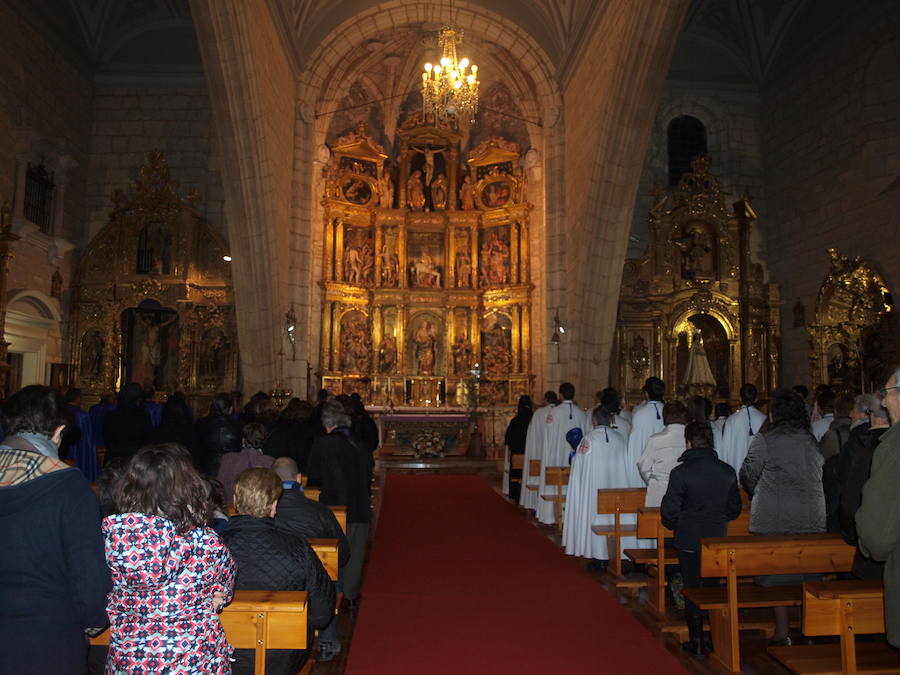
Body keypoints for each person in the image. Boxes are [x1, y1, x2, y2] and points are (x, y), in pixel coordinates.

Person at [0, 385, 111, 675]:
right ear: (58, 431)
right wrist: (92, 621)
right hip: (46, 639)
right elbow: (89, 578)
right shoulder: (68, 485)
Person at [103, 443, 236, 673]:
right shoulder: (204, 542)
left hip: (128, 659)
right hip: (191, 660)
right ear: (186, 487)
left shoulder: (111, 539)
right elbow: (225, 581)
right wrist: (218, 597)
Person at [222, 468, 335, 672]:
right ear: (274, 506)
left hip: (222, 654)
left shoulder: (212, 547)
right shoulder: (297, 548)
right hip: (284, 658)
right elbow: (322, 614)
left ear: (235, 501)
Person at [741, 388, 825, 646]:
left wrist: (762, 493)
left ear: (775, 413)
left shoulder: (765, 440)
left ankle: (783, 630)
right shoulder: (809, 440)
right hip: (809, 515)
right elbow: (820, 471)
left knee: (777, 573)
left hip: (774, 516)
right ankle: (812, 629)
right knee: (807, 573)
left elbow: (747, 474)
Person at [661, 420, 742, 660]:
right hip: (717, 539)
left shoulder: (681, 473)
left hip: (689, 540)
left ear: (688, 442)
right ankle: (715, 639)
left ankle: (697, 641)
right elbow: (734, 508)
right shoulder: (727, 471)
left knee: (692, 588)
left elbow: (669, 511)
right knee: (713, 589)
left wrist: (681, 525)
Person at [271, 457, 348, 662]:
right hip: (311, 582)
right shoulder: (320, 510)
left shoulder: (265, 511)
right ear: (299, 479)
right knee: (333, 576)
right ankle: (326, 640)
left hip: (276, 579)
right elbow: (344, 554)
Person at [306, 401, 372, 609]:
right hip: (359, 506)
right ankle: (351, 596)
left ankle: (334, 592)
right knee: (355, 551)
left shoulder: (323, 443)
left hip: (333, 507)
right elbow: (369, 472)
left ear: (326, 423)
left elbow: (314, 475)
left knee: (333, 551)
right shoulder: (359, 443)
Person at [856, 368, 900, 647]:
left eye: (888, 393)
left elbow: (878, 535)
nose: (883, 402)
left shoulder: (894, 448)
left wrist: (869, 545)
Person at [563, 405, 633, 568]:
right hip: (616, 493)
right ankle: (615, 554)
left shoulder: (588, 439)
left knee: (594, 515)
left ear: (593, 421)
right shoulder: (620, 438)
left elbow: (578, 467)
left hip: (594, 492)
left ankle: (598, 555)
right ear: (610, 420)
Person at [838, 393, 889, 580]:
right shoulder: (867, 446)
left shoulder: (863, 449)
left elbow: (850, 499)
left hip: (872, 542)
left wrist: (853, 535)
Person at [536, 383, 590, 525]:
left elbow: (548, 437)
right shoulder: (581, 413)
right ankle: (571, 517)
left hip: (556, 456)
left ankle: (550, 516)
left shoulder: (554, 412)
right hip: (574, 458)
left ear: (560, 395)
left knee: (555, 485)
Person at [638, 400, 688, 507]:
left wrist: (653, 480)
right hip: (686, 492)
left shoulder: (655, 439)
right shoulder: (690, 439)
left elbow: (643, 467)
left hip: (659, 492)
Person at [218, 422, 275, 505]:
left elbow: (219, 488)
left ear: (243, 440)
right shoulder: (270, 462)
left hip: (231, 509)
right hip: (260, 510)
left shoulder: (228, 458)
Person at [519, 391, 558, 512]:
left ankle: (535, 504)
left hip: (538, 453)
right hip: (556, 454)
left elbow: (531, 434)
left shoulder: (539, 413)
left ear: (545, 399)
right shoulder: (558, 412)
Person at [626, 377, 666, 489]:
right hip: (665, 469)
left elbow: (634, 448)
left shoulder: (639, 414)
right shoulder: (669, 412)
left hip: (644, 472)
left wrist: (632, 477)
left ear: (646, 394)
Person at [103, 382, 154, 465]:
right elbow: (147, 440)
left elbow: (107, 437)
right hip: (135, 461)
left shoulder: (111, 415)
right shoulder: (142, 416)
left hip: (114, 460)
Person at [720, 384, 767, 473]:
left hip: (737, 471)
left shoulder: (731, 420)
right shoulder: (764, 419)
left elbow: (725, 450)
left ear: (740, 398)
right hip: (759, 474)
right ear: (756, 398)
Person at [195, 392, 241, 476]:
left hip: (205, 468)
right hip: (229, 469)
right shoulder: (237, 425)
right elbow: (238, 449)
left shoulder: (201, 423)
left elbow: (196, 446)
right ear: (230, 409)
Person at [504, 395, 533, 501]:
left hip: (517, 452)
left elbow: (508, 438)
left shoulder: (515, 421)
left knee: (516, 475)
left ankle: (516, 496)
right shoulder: (533, 420)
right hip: (531, 454)